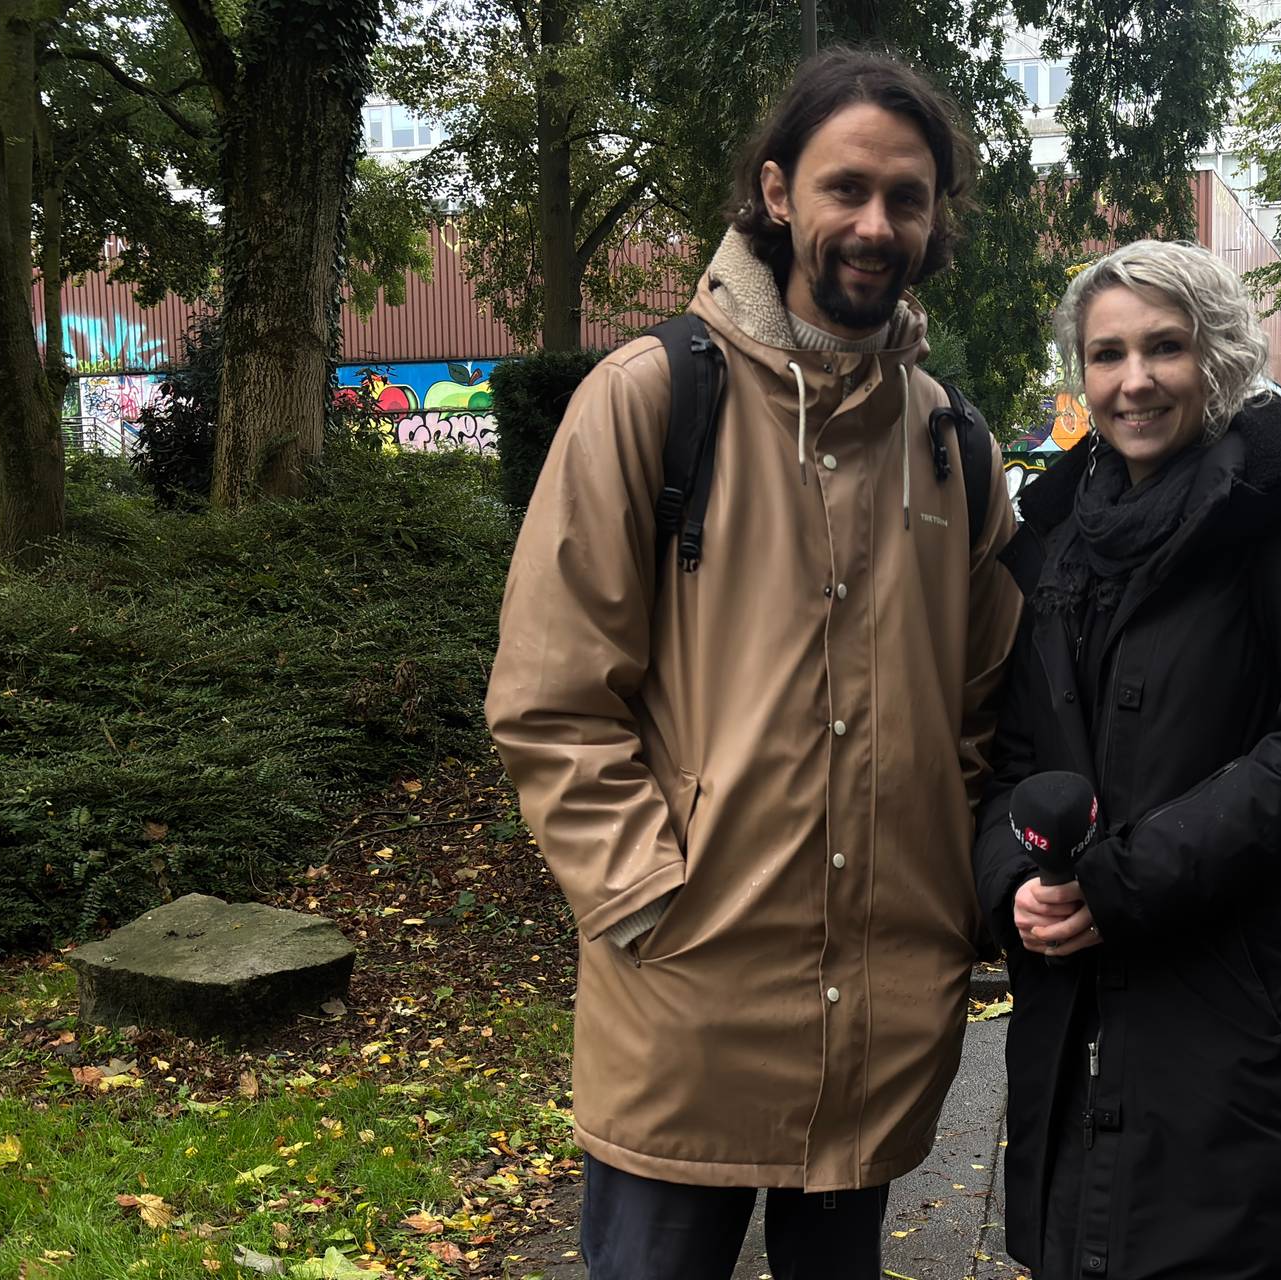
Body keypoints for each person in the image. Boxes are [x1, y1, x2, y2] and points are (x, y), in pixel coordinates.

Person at [484, 50, 1023, 1279]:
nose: (874, 224)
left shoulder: (952, 446)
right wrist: (644, 898)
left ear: (937, 217)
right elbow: (550, 694)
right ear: (777, 192)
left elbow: (986, 706)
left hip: (883, 1015)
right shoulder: (649, 396)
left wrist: (949, 892)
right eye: (846, 188)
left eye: (908, 196)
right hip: (688, 1004)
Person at [971, 240, 1281, 1278]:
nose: (1133, 380)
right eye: (1106, 352)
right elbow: (1014, 747)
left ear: (1217, 354)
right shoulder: (1061, 533)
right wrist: (1011, 882)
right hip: (1072, 1032)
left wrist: (1122, 881)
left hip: (1239, 1017)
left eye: (1163, 347)